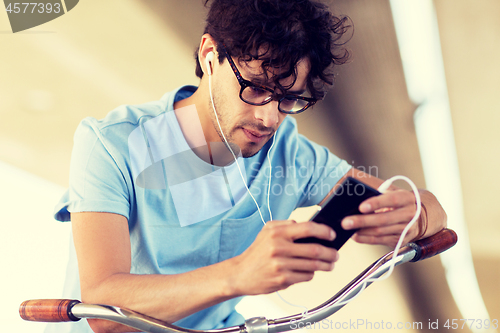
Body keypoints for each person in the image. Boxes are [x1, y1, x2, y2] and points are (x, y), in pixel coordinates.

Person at [49, 1, 447, 332]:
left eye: (288, 100)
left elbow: (421, 209)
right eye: (256, 88)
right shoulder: (112, 143)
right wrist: (239, 273)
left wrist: (421, 210)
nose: (270, 119)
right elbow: (103, 308)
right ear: (209, 56)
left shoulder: (294, 156)